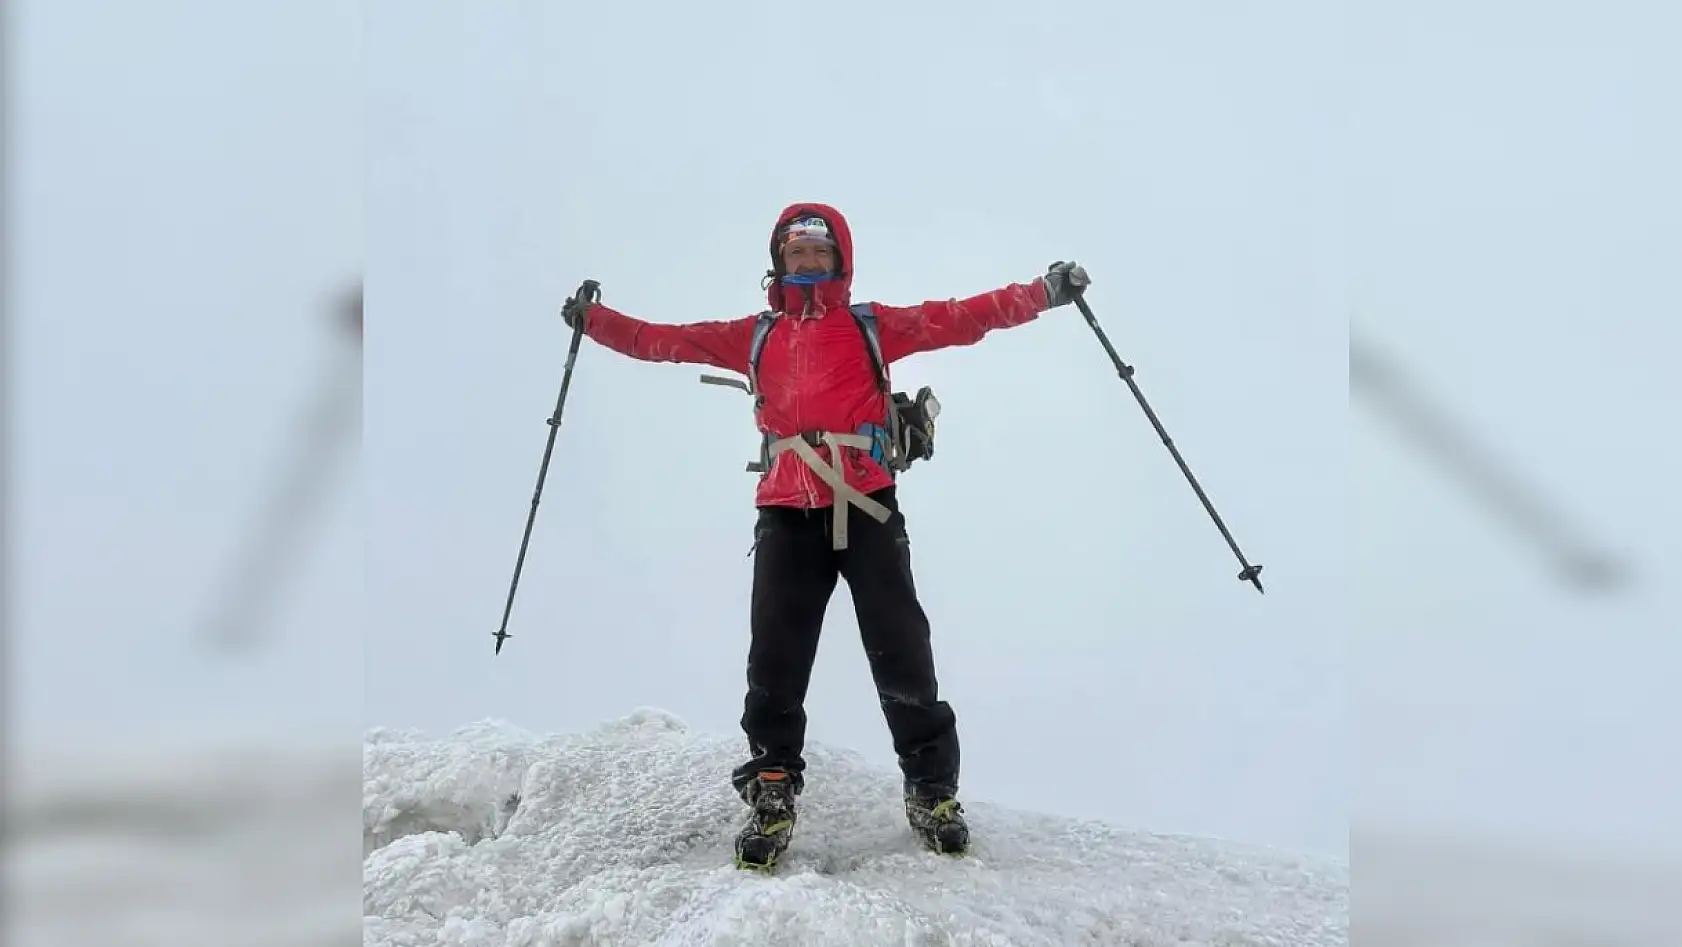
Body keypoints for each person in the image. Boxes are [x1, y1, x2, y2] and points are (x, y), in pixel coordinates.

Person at [560, 202, 1091, 869]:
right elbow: (663, 340)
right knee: (776, 657)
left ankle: (931, 788)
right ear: (779, 260)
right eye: (796, 251)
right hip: (786, 509)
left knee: (901, 645)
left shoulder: (871, 326)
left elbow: (962, 316)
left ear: (840, 260)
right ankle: (772, 786)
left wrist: (1043, 293)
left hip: (867, 504)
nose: (807, 261)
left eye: (819, 251)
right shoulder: (754, 335)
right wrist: (595, 321)